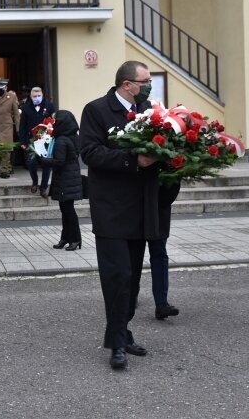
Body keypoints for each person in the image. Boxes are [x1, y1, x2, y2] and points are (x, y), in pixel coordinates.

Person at [79, 60, 160, 370]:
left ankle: (123, 332)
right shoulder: (96, 110)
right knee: (117, 278)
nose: (148, 86)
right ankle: (116, 344)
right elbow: (90, 152)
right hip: (112, 209)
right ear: (127, 84)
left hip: (140, 207)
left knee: (134, 280)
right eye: (145, 80)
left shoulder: (149, 111)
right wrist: (132, 160)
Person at [39, 111, 84, 250]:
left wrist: (42, 160)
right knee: (65, 209)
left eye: (55, 120)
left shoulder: (62, 140)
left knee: (68, 211)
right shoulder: (73, 136)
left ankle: (75, 239)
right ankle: (65, 238)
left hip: (65, 179)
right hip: (70, 177)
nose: (53, 123)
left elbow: (59, 161)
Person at [149, 182, 182, 320]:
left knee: (160, 255)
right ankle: (130, 298)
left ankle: (162, 303)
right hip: (135, 207)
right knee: (133, 256)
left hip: (159, 209)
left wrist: (162, 201)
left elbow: (174, 181)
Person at [20, 87, 56, 196]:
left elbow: (54, 123)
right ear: (30, 97)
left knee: (47, 164)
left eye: (39, 96)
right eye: (34, 96)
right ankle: (35, 181)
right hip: (31, 141)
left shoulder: (49, 106)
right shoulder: (25, 108)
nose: (37, 98)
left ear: (42, 95)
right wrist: (23, 141)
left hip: (46, 141)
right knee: (31, 163)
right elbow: (22, 126)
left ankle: (43, 187)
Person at [0, 79, 19, 179]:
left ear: (5, 88)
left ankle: (4, 170)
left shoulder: (11, 97)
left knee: (6, 149)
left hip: (7, 126)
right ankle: (5, 166)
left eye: (1, 88)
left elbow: (16, 113)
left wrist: (18, 128)